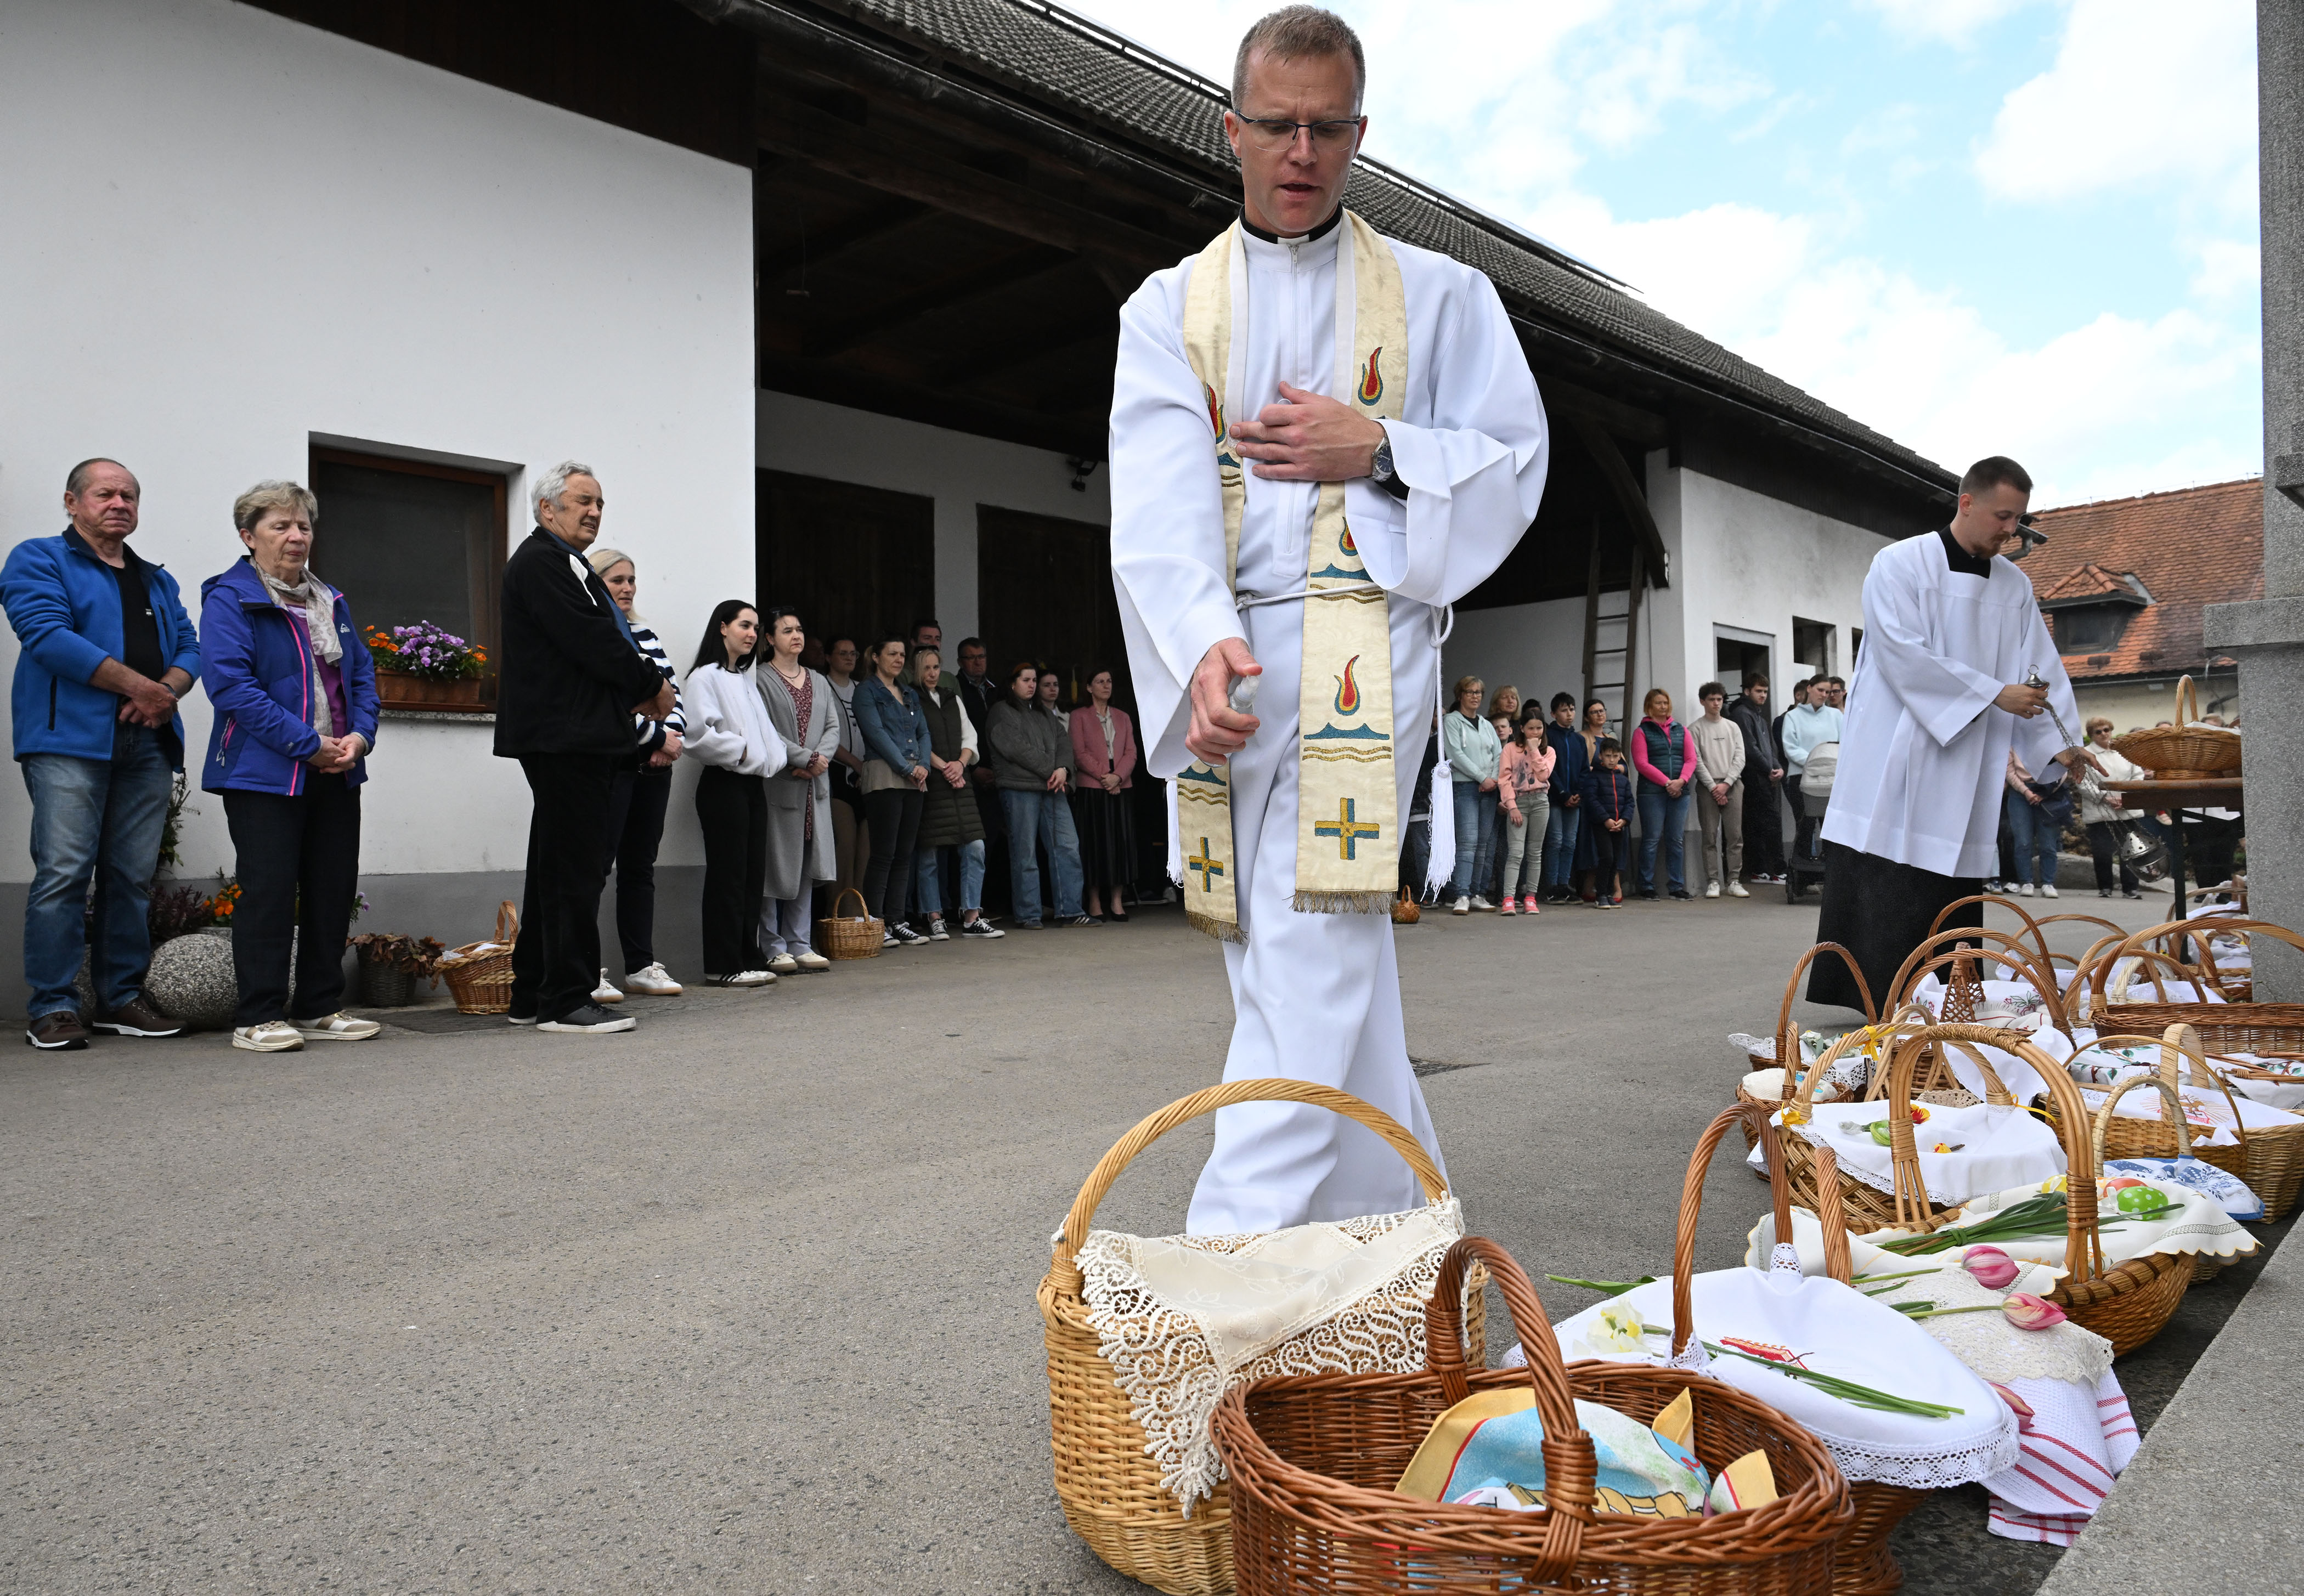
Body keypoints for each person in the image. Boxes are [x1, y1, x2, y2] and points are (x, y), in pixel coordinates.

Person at [1109, 7, 1548, 1232]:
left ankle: (1227, 1268)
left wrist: (1385, 448)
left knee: (1312, 943)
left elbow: (1518, 460)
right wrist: (1197, 646)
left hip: (1365, 638)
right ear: (1231, 129)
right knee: (1287, 962)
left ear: (1361, 133)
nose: (1301, 151)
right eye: (1277, 125)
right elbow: (1153, 498)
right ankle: (1392, 1250)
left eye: (1327, 127)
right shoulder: (1168, 307)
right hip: (1226, 649)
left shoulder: (1442, 295)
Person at [1811, 456, 2093, 1011]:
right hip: (1895, 753)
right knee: (1891, 879)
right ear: (1968, 503)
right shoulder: (1899, 564)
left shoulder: (2014, 586)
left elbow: (2041, 668)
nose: (2012, 531)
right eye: (2003, 517)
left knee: (1953, 888)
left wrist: (2060, 740)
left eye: (2018, 520)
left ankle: (1949, 1004)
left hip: (1968, 761)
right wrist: (1993, 693)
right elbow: (1902, 654)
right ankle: (1881, 1005)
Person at [2, 458, 200, 1049]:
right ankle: (54, 1006)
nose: (119, 504)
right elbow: (47, 636)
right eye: (105, 494)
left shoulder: (157, 580)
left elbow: (191, 648)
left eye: (129, 496)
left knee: (131, 878)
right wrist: (140, 687)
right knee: (64, 874)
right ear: (72, 502)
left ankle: (120, 998)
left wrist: (164, 693)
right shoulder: (39, 559)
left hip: (148, 742)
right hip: (69, 741)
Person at [197, 479, 382, 1052]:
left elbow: (362, 679)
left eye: (303, 525)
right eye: (281, 526)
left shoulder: (333, 602)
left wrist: (359, 738)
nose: (296, 536)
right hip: (264, 771)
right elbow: (232, 687)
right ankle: (257, 1015)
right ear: (248, 536)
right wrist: (308, 743)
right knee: (270, 891)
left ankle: (320, 1005)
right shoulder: (231, 598)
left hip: (336, 768)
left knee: (332, 889)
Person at [494, 461, 673, 1035]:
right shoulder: (544, 562)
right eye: (582, 502)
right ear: (548, 509)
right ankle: (568, 1000)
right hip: (566, 736)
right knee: (575, 872)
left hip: (572, 733)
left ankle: (531, 994)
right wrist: (650, 685)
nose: (594, 512)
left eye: (599, 503)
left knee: (554, 868)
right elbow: (590, 638)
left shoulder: (563, 563)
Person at [585, 546, 685, 1002]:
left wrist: (671, 736)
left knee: (639, 868)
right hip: (617, 764)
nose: (626, 589)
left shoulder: (645, 634)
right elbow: (612, 704)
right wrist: (655, 737)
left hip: (654, 768)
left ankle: (641, 965)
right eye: (616, 580)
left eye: (631, 580)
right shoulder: (596, 633)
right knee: (596, 867)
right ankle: (587, 970)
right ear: (596, 584)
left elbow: (671, 692)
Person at [681, 602, 783, 984]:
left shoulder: (742, 678)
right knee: (728, 874)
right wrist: (742, 751)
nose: (752, 634)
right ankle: (723, 965)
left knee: (751, 873)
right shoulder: (704, 677)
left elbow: (764, 733)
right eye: (745, 625)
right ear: (722, 628)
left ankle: (748, 955)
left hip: (752, 786)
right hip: (724, 784)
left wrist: (770, 757)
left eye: (756, 627)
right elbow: (696, 735)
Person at [754, 607, 839, 973]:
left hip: (814, 787)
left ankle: (800, 943)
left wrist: (820, 760)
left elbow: (834, 726)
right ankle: (773, 946)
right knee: (776, 866)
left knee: (806, 863)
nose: (796, 635)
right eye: (786, 630)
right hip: (782, 783)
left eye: (799, 629)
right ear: (770, 638)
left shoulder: (819, 680)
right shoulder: (760, 679)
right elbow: (766, 729)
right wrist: (805, 758)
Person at [986, 660, 1088, 929]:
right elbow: (1016, 749)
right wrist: (1052, 770)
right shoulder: (1001, 712)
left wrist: (1064, 769)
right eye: (1026, 680)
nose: (1032, 685)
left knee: (1067, 847)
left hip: (1053, 788)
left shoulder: (1045, 714)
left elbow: (1064, 743)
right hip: (1020, 790)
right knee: (1025, 853)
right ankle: (1028, 914)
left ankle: (1071, 910)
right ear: (1012, 683)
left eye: (1034, 681)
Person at [912, 646, 1000, 940]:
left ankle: (972, 915)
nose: (932, 673)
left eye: (936, 667)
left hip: (959, 782)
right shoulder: (912, 698)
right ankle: (934, 916)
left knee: (975, 847)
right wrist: (945, 768)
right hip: (932, 782)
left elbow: (970, 736)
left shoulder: (953, 698)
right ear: (917, 671)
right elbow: (915, 740)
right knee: (929, 853)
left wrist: (960, 764)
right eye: (926, 668)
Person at [852, 638, 935, 947]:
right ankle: (876, 920)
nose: (899, 659)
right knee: (884, 852)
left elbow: (924, 732)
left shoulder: (910, 692)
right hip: (886, 774)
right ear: (875, 657)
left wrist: (924, 764)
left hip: (915, 776)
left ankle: (897, 920)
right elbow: (875, 733)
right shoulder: (867, 691)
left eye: (902, 655)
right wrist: (906, 767)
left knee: (905, 853)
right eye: (892, 654)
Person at [1069, 667, 1139, 923]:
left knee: (1120, 844)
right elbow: (1079, 753)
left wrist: (1118, 776)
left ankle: (1117, 900)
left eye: (1109, 681)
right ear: (1089, 688)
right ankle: (1095, 900)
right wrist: (1106, 776)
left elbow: (1131, 752)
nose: (1106, 686)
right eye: (1099, 682)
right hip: (1092, 788)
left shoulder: (1123, 717)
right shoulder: (1079, 717)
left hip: (1121, 786)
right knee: (1095, 844)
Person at [954, 634, 1007, 917]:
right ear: (960, 661)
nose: (977, 662)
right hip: (969, 772)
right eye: (971, 658)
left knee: (996, 841)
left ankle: (992, 902)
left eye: (981, 657)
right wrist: (973, 770)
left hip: (999, 773)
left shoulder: (996, 689)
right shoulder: (957, 689)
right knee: (973, 843)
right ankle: (965, 906)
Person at [1443, 676, 1503, 914]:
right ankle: (1462, 895)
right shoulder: (1452, 721)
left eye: (1479, 692)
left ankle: (1478, 893)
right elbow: (1456, 755)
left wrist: (1493, 780)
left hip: (1489, 788)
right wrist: (1482, 777)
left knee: (1484, 844)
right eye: (1471, 692)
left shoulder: (1487, 725)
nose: (1476, 696)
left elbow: (1499, 754)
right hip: (1466, 787)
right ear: (1461, 695)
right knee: (1467, 842)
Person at [1628, 687, 1694, 901]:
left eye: (1665, 703)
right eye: (1658, 703)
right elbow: (1641, 763)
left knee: (1676, 840)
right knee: (1652, 839)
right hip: (1652, 794)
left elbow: (1691, 759)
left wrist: (1681, 781)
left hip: (1680, 792)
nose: (1663, 707)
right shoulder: (1641, 732)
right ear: (1649, 707)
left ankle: (1676, 885)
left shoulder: (1682, 730)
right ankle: (1646, 885)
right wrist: (1667, 783)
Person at [2077, 717, 2147, 898]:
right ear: (2091, 735)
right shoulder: (2085, 754)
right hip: (2100, 810)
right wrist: (2107, 798)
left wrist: (2125, 797)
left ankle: (2131, 888)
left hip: (2127, 809)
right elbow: (2083, 783)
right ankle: (2105, 887)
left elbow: (2138, 776)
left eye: (2107, 730)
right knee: (2102, 852)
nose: (2104, 734)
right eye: (2098, 732)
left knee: (2131, 850)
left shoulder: (2124, 750)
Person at [822, 635, 870, 897]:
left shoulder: (862, 689)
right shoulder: (823, 687)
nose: (850, 658)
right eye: (843, 653)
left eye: (854, 653)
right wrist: (856, 764)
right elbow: (826, 735)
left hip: (865, 775)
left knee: (866, 849)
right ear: (829, 657)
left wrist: (867, 768)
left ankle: (862, 913)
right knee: (845, 845)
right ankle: (839, 913)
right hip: (837, 774)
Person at [1778, 678, 1844, 867]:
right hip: (1801, 777)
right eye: (1820, 690)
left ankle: (1832, 868)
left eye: (1828, 692)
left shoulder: (1836, 716)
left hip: (1832, 778)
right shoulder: (1793, 717)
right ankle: (1802, 870)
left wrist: (1827, 765)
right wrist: (1815, 763)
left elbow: (1844, 745)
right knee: (1805, 825)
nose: (1824, 695)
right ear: (1809, 689)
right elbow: (1790, 748)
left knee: (1830, 826)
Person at [1494, 704, 1553, 914]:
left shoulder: (1549, 751)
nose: (1535, 733)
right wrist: (1512, 807)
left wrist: (1534, 749)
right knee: (1516, 852)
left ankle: (1531, 898)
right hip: (1518, 801)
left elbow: (1544, 776)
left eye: (1539, 728)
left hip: (1540, 801)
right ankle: (1508, 898)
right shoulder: (1510, 749)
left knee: (1535, 853)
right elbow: (1504, 779)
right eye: (1531, 728)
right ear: (1521, 728)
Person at [1691, 681, 1748, 899]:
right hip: (1708, 787)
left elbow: (1740, 757)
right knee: (1709, 836)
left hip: (1733, 784)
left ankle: (1734, 880)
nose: (1716, 704)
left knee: (1735, 835)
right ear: (1702, 702)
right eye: (1712, 700)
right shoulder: (1695, 728)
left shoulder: (1732, 727)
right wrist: (1714, 787)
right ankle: (1713, 881)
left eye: (1719, 699)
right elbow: (1696, 761)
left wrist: (1727, 783)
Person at [1727, 674, 1784, 885]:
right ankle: (1773, 870)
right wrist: (1770, 768)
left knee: (1762, 824)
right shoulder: (1742, 714)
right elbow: (1750, 748)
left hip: (1766, 777)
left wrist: (1777, 767)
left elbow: (1771, 747)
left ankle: (1762, 870)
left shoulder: (1759, 716)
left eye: (1765, 692)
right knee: (1764, 824)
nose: (1763, 695)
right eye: (1759, 691)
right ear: (1747, 691)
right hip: (1753, 778)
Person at [1539, 691, 1586, 902]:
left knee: (1570, 843)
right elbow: (1550, 769)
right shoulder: (1549, 737)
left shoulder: (1579, 739)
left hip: (1574, 800)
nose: (1569, 714)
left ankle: (1564, 884)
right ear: (1553, 713)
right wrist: (1563, 793)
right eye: (1564, 710)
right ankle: (1551, 887)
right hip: (1554, 798)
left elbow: (1585, 769)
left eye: (1572, 709)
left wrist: (1578, 793)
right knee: (1556, 841)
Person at [2002, 748, 2068, 899]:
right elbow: (2009, 770)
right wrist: (2026, 792)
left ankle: (2048, 883)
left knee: (2048, 842)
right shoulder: (2014, 740)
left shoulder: (2051, 738)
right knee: (2023, 841)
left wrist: (2045, 793)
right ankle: (2026, 882)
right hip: (2020, 793)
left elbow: (2063, 770)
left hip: (2049, 791)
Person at [1575, 739, 1631, 907]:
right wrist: (1606, 819)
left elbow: (1629, 801)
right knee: (1606, 857)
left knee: (1615, 860)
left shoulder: (1622, 780)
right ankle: (1601, 894)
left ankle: (1608, 893)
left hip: (1619, 826)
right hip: (1602, 825)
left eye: (1615, 757)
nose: (1612, 760)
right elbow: (1592, 800)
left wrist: (1624, 820)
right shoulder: (1594, 777)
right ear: (1600, 756)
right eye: (1608, 756)